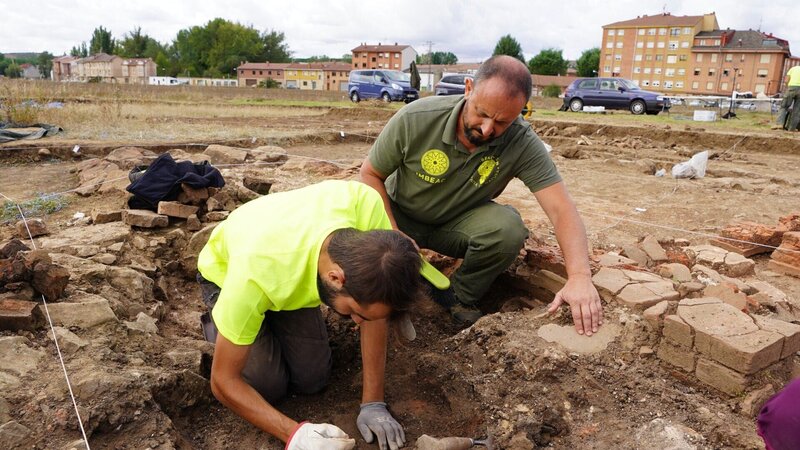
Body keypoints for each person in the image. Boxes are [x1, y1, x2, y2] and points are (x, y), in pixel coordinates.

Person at [359, 55, 603, 335]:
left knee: (507, 229)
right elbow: (369, 175)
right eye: (483, 114)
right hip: (399, 217)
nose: (488, 129)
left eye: (502, 122)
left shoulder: (521, 142)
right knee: (362, 241)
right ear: (467, 89)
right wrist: (391, 231)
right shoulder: (416, 118)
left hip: (454, 225)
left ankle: (456, 296)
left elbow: (561, 210)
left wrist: (580, 277)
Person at [197, 180, 423, 450]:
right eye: (354, 313)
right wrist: (294, 434)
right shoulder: (252, 276)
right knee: (268, 385)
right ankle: (220, 322)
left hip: (290, 271)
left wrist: (373, 402)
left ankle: (268, 318)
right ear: (336, 278)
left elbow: (375, 304)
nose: (359, 322)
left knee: (312, 378)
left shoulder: (365, 205)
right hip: (231, 272)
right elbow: (223, 382)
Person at [772, 64, 800, 131]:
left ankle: (779, 125)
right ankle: (792, 128)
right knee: (797, 110)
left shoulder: (793, 69)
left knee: (784, 107)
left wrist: (788, 88)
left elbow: (787, 80)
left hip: (791, 88)